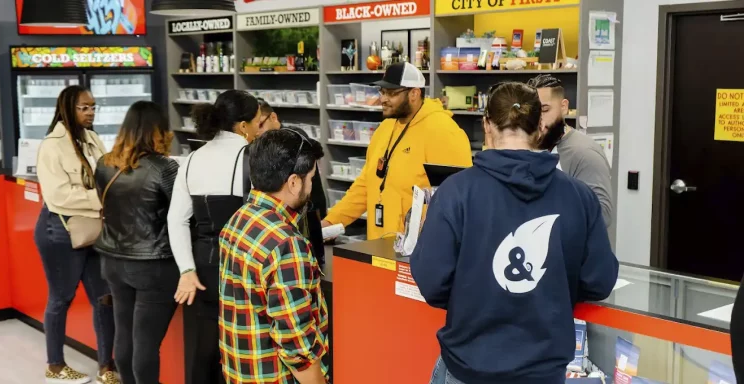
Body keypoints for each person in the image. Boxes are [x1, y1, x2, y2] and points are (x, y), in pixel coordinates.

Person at [411, 82, 619, 384]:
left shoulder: (456, 192)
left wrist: (472, 295)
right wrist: (551, 291)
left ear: (486, 125)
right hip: (544, 370)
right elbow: (599, 281)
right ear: (540, 126)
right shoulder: (578, 196)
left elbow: (431, 282)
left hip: (470, 363)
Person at [219, 128, 329, 384]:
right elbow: (298, 348)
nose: (311, 187)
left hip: (241, 372)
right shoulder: (286, 244)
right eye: (311, 179)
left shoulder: (239, 220)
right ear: (293, 182)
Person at [167, 90, 260, 384]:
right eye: (258, 123)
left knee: (206, 345)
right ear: (243, 126)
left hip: (204, 265)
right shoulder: (251, 158)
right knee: (241, 345)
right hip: (242, 265)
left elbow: (176, 219)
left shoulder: (193, 158)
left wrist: (187, 270)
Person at [322, 61, 473, 239]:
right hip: (378, 244)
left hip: (418, 249)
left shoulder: (443, 131)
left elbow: (457, 198)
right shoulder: (385, 129)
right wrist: (330, 222)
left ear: (414, 93)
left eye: (391, 93)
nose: (383, 99)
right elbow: (365, 186)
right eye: (382, 92)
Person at [34, 85, 118, 384]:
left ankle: (106, 367)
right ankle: (55, 367)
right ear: (68, 108)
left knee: (104, 298)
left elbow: (107, 174)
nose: (90, 112)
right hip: (59, 229)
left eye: (93, 106)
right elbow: (58, 196)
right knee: (61, 298)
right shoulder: (51, 145)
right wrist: (101, 199)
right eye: (84, 107)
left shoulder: (92, 138)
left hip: (93, 228)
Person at [94, 101, 179, 384]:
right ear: (159, 130)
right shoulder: (164, 168)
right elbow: (181, 215)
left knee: (125, 333)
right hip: (153, 265)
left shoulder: (104, 163)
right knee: (146, 342)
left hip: (113, 260)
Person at [527, 74, 614, 228]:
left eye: (545, 110)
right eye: (532, 112)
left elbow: (602, 215)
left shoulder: (584, 153)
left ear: (564, 107)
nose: (538, 120)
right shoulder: (528, 145)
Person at [256, 97, 328, 267]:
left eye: (260, 125)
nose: (257, 132)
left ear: (273, 117)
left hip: (303, 218)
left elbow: (314, 195)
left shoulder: (294, 139)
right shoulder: (263, 146)